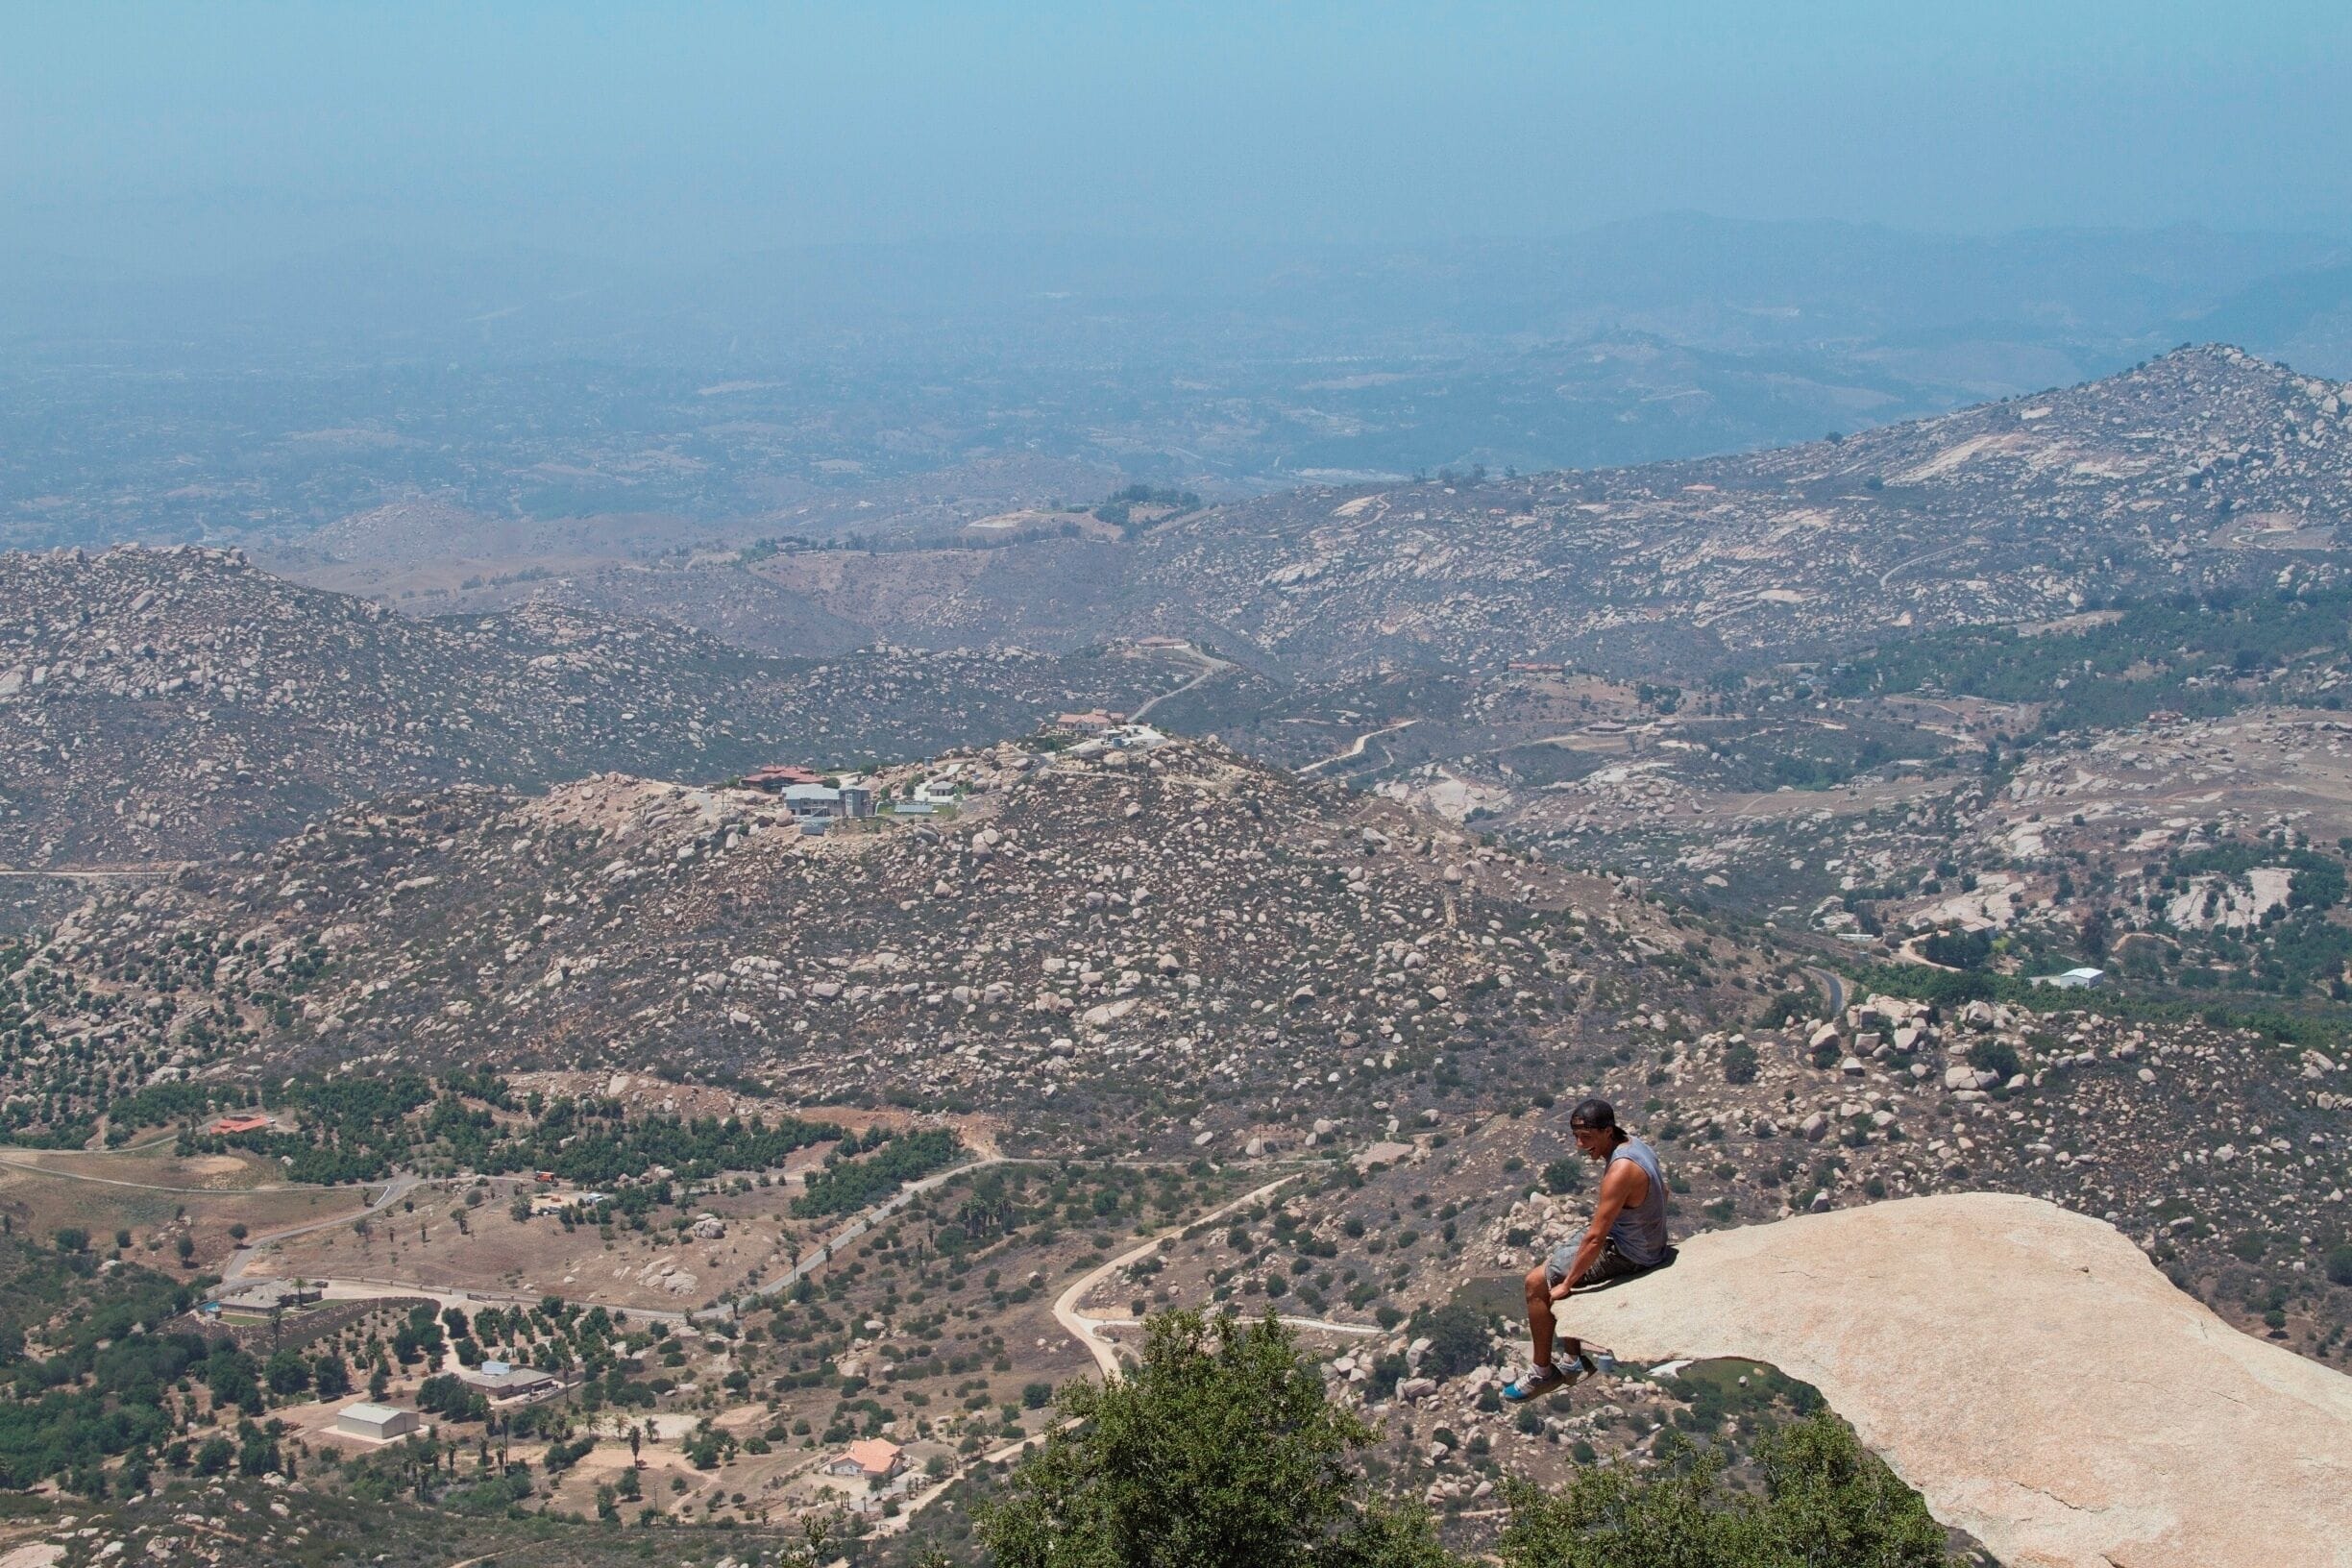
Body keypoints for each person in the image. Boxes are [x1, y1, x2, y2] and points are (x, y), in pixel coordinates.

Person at [1503, 1096, 1669, 1402]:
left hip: (1628, 1251)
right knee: (1558, 1258)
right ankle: (1572, 1359)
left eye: (1587, 1137)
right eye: (1576, 1137)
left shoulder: (1621, 1169)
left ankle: (1543, 1372)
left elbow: (1594, 1239)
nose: (1580, 1145)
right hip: (1640, 1239)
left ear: (1608, 1131)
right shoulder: (1636, 1145)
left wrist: (1567, 1283)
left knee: (1536, 1282)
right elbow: (1664, 1191)